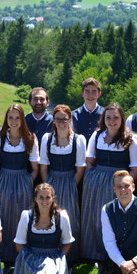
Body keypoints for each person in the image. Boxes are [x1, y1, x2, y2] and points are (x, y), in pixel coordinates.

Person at [81, 103, 137, 274]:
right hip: (95, 186)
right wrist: (94, 178)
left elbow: (136, 168)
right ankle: (100, 264)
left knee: (114, 225)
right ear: (103, 119)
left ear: (122, 118)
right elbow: (89, 159)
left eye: (115, 117)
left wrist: (123, 187)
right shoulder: (97, 135)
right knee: (95, 222)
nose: (112, 120)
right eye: (108, 117)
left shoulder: (131, 139)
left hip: (117, 187)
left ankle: (115, 264)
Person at [4, 183, 84, 274]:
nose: (44, 201)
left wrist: (60, 259)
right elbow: (19, 244)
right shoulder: (27, 216)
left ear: (53, 198)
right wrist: (28, 259)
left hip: (53, 257)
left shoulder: (61, 216)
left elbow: (68, 242)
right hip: (30, 256)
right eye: (41, 197)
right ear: (35, 198)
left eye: (48, 197)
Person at [0, 104, 39, 266]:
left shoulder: (30, 138)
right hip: (2, 182)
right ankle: (0, 257)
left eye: (17, 118)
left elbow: (35, 168)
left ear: (22, 119)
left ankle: (19, 258)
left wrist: (27, 182)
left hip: (22, 183)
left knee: (20, 219)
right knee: (1, 218)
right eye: (10, 117)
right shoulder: (0, 136)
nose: (14, 121)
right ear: (6, 119)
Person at [39, 104, 86, 263]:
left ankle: (69, 260)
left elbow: (80, 169)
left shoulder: (79, 140)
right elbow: (44, 166)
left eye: (64, 119)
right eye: (57, 119)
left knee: (69, 219)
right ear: (53, 120)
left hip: (70, 181)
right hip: (51, 181)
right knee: (49, 218)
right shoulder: (47, 139)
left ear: (70, 120)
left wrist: (71, 185)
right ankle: (49, 254)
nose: (61, 122)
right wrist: (47, 186)